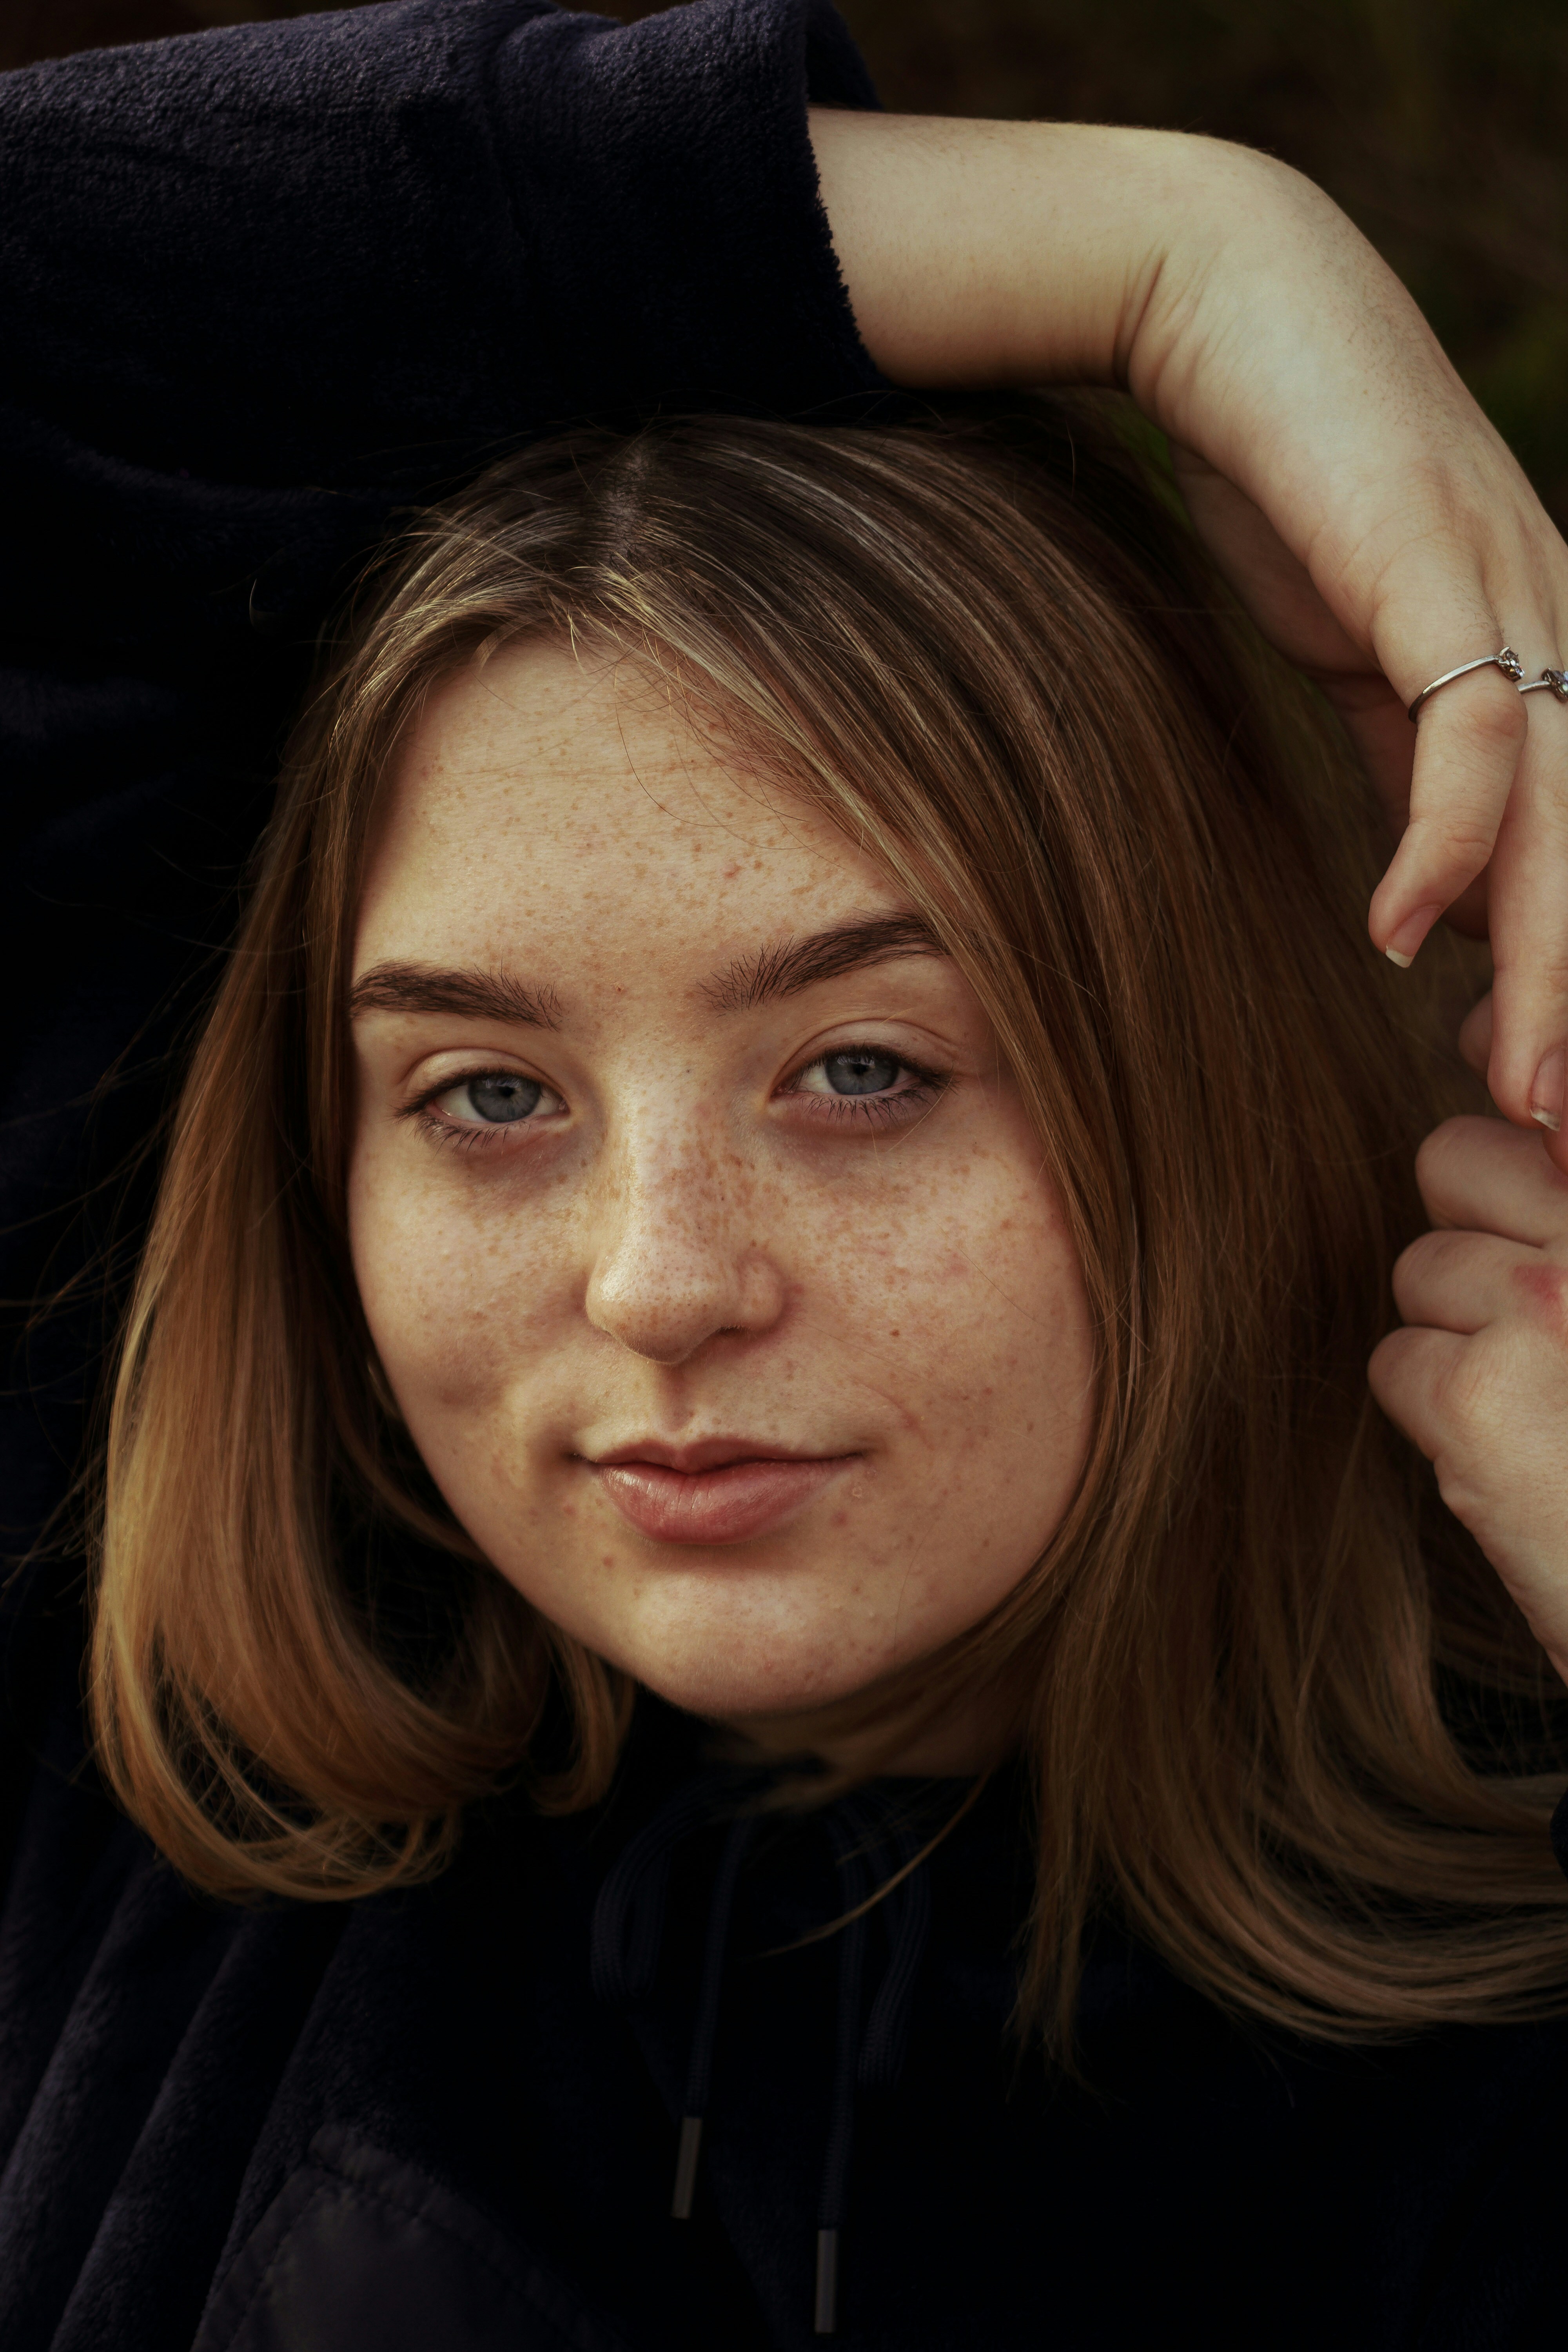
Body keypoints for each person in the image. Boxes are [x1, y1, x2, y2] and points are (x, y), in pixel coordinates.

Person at [2, 5, 1567, 2348]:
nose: (660, 1286)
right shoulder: (155, 1795)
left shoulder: (1501, 2021)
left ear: (1193, 1077)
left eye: (858, 1068)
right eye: (489, 1096)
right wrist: (1178, 250)